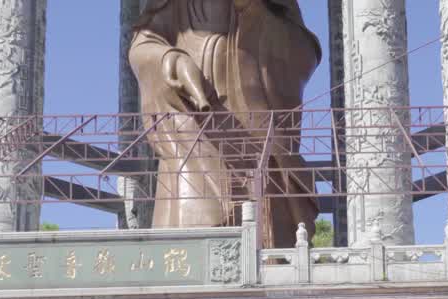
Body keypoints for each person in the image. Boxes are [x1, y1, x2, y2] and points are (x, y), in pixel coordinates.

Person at [129, 0, 322, 249]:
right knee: (193, 234)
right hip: (194, 125)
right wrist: (169, 61)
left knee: (267, 233)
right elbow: (143, 44)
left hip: (256, 129)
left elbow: (303, 53)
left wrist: (254, 13)